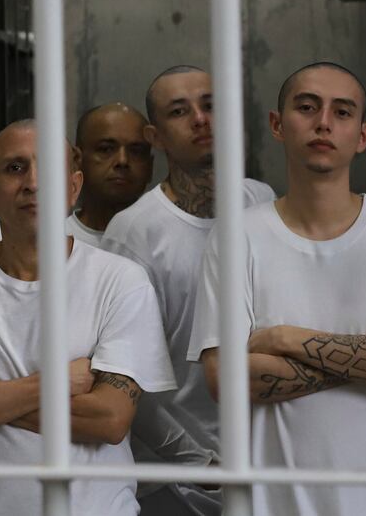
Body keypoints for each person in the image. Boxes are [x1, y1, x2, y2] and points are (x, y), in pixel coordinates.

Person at [190, 62, 366, 516]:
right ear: (277, 124)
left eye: (342, 112)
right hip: (269, 505)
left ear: (363, 136)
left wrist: (287, 339)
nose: (323, 122)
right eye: (307, 107)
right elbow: (225, 380)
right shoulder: (237, 233)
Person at [0, 119, 176, 515]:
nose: (33, 183)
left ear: (74, 187)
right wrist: (61, 382)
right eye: (15, 168)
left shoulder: (120, 280)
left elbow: (110, 419)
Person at [99, 66, 276, 515]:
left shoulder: (262, 201)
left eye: (211, 105)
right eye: (181, 111)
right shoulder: (134, 230)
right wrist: (198, 462)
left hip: (265, 462)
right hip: (176, 482)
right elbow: (125, 375)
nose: (201, 119)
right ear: (155, 136)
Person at [70, 102, 154, 248]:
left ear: (150, 166)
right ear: (77, 160)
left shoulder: (165, 239)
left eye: (136, 151)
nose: (122, 161)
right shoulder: (52, 241)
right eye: (106, 149)